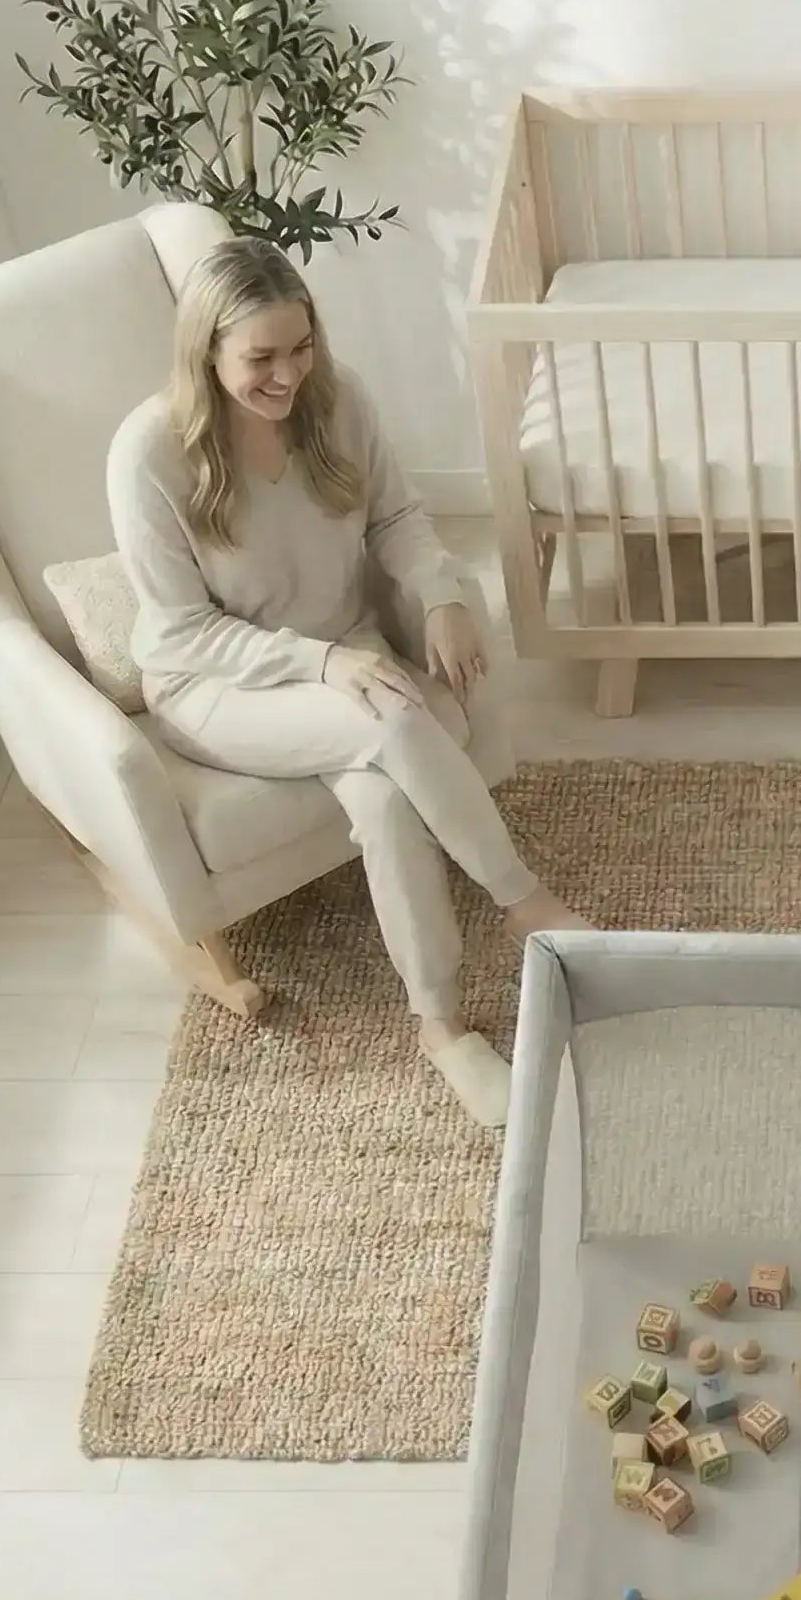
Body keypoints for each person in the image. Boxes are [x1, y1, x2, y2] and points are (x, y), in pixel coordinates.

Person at [107, 236, 587, 1128]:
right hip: (218, 688)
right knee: (393, 720)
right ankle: (528, 904)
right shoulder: (148, 456)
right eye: (261, 357)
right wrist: (322, 663)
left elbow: (396, 516)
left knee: (386, 798)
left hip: (344, 650)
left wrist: (439, 594)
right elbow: (181, 632)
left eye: (301, 346)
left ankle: (441, 1027)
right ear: (206, 350)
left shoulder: (337, 401)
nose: (288, 374)